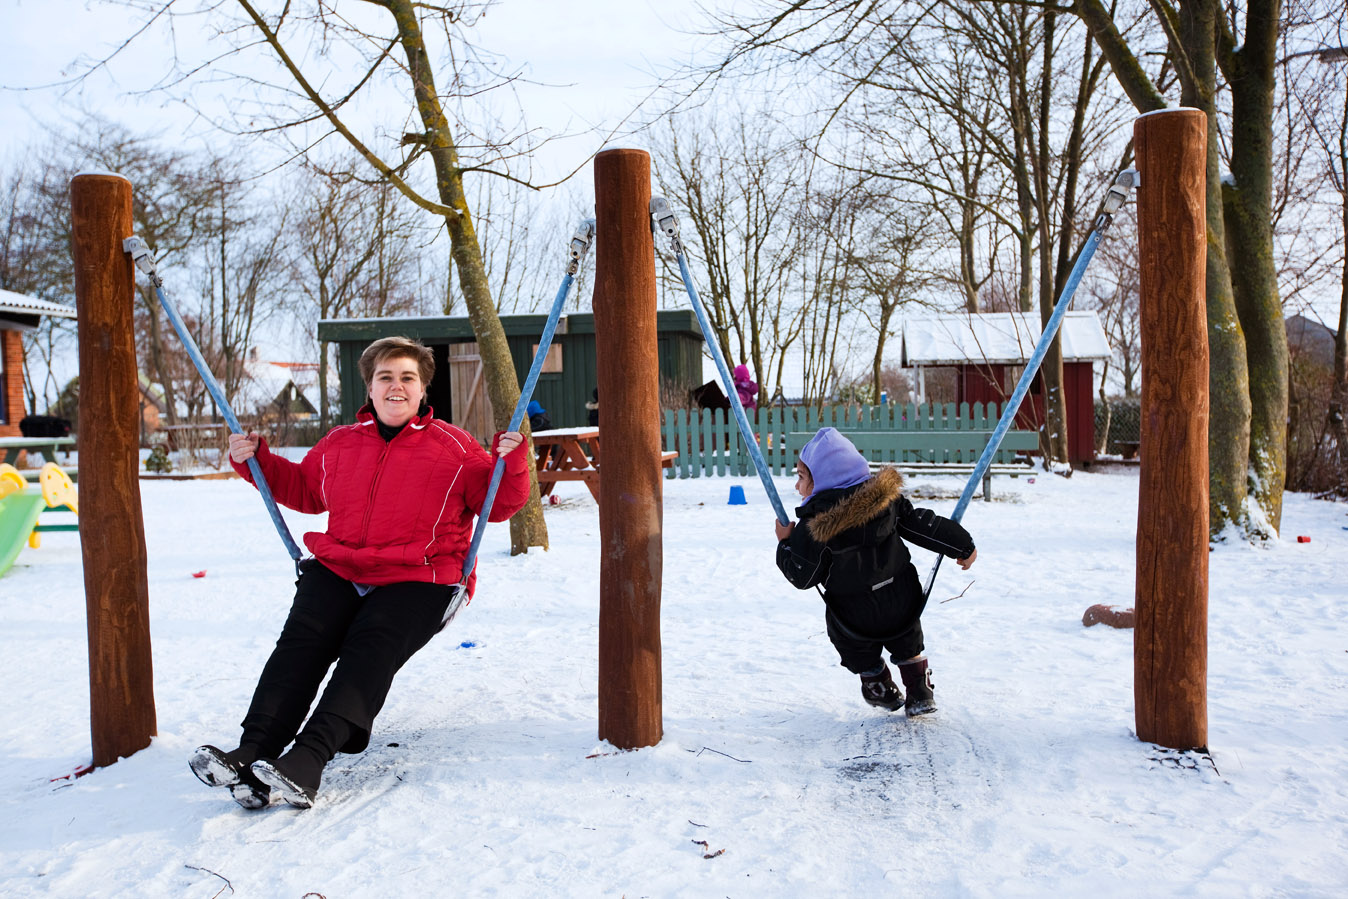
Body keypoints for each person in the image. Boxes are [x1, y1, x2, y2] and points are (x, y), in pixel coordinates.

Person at [188, 336, 530, 810]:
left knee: (368, 651)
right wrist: (257, 462)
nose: (396, 386)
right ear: (369, 387)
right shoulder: (339, 444)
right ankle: (253, 751)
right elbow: (306, 491)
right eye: (385, 377)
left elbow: (499, 502)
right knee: (301, 645)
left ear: (423, 388)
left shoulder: (455, 447)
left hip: (422, 576)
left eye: (407, 377)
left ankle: (307, 760)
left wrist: (511, 464)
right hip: (340, 566)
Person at [773, 428, 976, 717]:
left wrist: (785, 545)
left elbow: (804, 577)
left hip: (852, 613)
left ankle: (876, 684)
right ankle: (919, 688)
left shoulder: (814, 526)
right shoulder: (887, 503)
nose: (797, 485)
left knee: (852, 643)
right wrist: (962, 545)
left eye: (801, 477)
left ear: (824, 480)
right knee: (907, 640)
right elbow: (921, 525)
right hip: (901, 597)